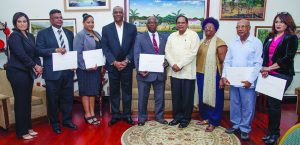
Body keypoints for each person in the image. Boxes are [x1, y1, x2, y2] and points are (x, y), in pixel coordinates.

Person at [36, 9, 77, 134]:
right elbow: (38, 50)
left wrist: (73, 64)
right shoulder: (43, 33)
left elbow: (72, 51)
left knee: (67, 98)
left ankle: (67, 121)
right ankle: (54, 123)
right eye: (56, 18)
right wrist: (55, 50)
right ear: (51, 20)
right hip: (52, 73)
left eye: (60, 17)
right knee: (53, 100)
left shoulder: (69, 33)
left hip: (68, 72)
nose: (59, 19)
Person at [260, 12, 298, 144]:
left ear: (288, 23)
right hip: (269, 74)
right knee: (270, 105)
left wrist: (269, 68)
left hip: (283, 74)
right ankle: (271, 132)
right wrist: (265, 68)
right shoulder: (270, 37)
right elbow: (264, 55)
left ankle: (275, 134)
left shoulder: (291, 38)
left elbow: (287, 58)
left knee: (274, 104)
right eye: (276, 21)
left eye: (281, 22)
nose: (278, 24)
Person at [222, 19, 262, 140]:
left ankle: (245, 128)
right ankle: (236, 124)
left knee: (247, 105)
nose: (240, 29)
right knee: (235, 103)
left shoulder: (256, 42)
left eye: (243, 26)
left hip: (248, 81)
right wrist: (224, 75)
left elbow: (258, 63)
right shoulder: (233, 42)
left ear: (249, 28)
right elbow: (227, 61)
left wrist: (250, 80)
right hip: (234, 80)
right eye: (238, 27)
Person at [6, 12, 43, 140]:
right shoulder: (14, 36)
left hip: (27, 72)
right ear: (15, 23)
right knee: (21, 101)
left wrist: (39, 64)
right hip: (16, 72)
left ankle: (28, 127)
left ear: (27, 22)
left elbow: (35, 53)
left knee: (27, 101)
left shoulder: (30, 36)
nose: (22, 23)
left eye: (24, 21)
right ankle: (21, 132)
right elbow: (21, 55)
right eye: (19, 21)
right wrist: (35, 66)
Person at [101, 6, 137, 126]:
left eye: (120, 12)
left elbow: (134, 46)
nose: (118, 14)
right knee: (114, 91)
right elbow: (105, 48)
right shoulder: (106, 29)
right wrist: (114, 62)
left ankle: (127, 115)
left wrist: (126, 60)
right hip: (113, 66)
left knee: (127, 91)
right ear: (113, 14)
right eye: (115, 12)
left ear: (123, 14)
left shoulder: (132, 28)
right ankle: (115, 115)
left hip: (127, 65)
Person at [165, 15, 200, 128]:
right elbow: (167, 51)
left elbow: (192, 53)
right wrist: (173, 64)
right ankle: (177, 117)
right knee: (176, 97)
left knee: (187, 98)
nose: (180, 24)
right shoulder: (172, 36)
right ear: (176, 24)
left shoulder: (193, 35)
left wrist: (179, 65)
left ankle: (185, 119)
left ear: (187, 23)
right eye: (178, 23)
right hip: (174, 71)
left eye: (183, 22)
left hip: (187, 72)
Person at [133, 16, 168, 126]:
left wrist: (167, 62)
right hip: (144, 73)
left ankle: (159, 117)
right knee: (143, 97)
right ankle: (142, 118)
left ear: (157, 24)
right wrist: (139, 70)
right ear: (147, 25)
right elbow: (136, 54)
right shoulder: (140, 37)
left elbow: (168, 54)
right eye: (149, 23)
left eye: (154, 22)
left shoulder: (164, 37)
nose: (152, 24)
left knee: (159, 97)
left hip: (159, 73)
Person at [196, 17, 227, 132]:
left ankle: (214, 121)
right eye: (206, 27)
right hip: (200, 74)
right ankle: (206, 117)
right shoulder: (201, 42)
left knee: (216, 98)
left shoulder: (220, 43)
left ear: (215, 29)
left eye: (211, 27)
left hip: (215, 75)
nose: (208, 28)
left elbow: (224, 62)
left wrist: (222, 77)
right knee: (203, 97)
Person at [73, 13, 102, 125]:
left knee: (92, 92)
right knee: (85, 91)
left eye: (92, 22)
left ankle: (92, 113)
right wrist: (86, 66)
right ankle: (87, 114)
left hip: (96, 68)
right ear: (83, 23)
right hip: (84, 70)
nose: (91, 24)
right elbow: (78, 53)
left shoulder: (97, 34)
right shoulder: (80, 35)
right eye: (88, 22)